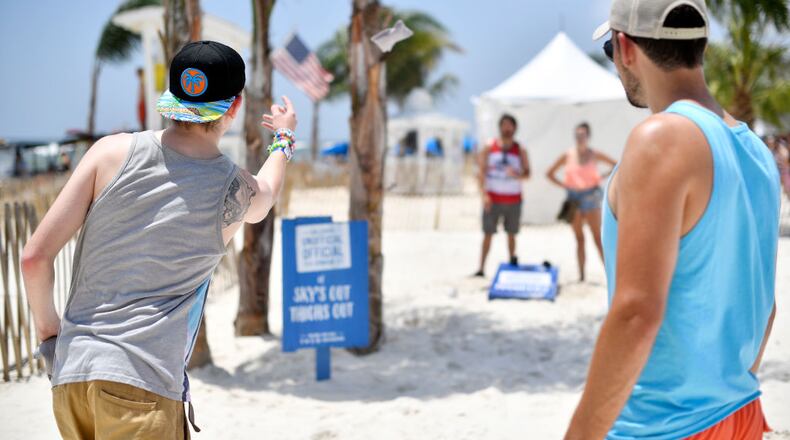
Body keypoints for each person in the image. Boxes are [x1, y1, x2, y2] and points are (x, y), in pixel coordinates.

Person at [22, 41, 297, 439]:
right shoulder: (233, 188)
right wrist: (284, 137)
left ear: (170, 98)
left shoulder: (109, 152)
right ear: (234, 108)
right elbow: (268, 191)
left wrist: (50, 335)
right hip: (142, 386)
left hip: (71, 378)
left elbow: (34, 258)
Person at [565, 1, 779, 439]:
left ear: (625, 48)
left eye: (609, 50)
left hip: (661, 425)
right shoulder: (756, 152)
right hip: (739, 412)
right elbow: (766, 307)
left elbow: (637, 314)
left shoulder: (661, 138)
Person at [547, 122, 616, 282]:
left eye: (583, 135)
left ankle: (609, 274)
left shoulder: (594, 154)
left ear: (588, 136)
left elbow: (615, 164)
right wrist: (564, 184)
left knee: (598, 238)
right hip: (573, 199)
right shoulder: (568, 155)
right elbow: (549, 173)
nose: (580, 138)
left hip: (591, 197)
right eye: (577, 135)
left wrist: (601, 177)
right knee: (579, 239)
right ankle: (582, 276)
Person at [474, 114, 531, 277]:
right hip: (493, 198)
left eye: (509, 125)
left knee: (512, 234)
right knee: (487, 234)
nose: (506, 129)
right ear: (500, 127)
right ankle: (481, 268)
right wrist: (484, 195)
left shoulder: (520, 149)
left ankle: (511, 264)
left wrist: (516, 175)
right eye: (504, 125)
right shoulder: (489, 146)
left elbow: (528, 174)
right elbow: (481, 173)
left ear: (514, 128)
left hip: (513, 199)